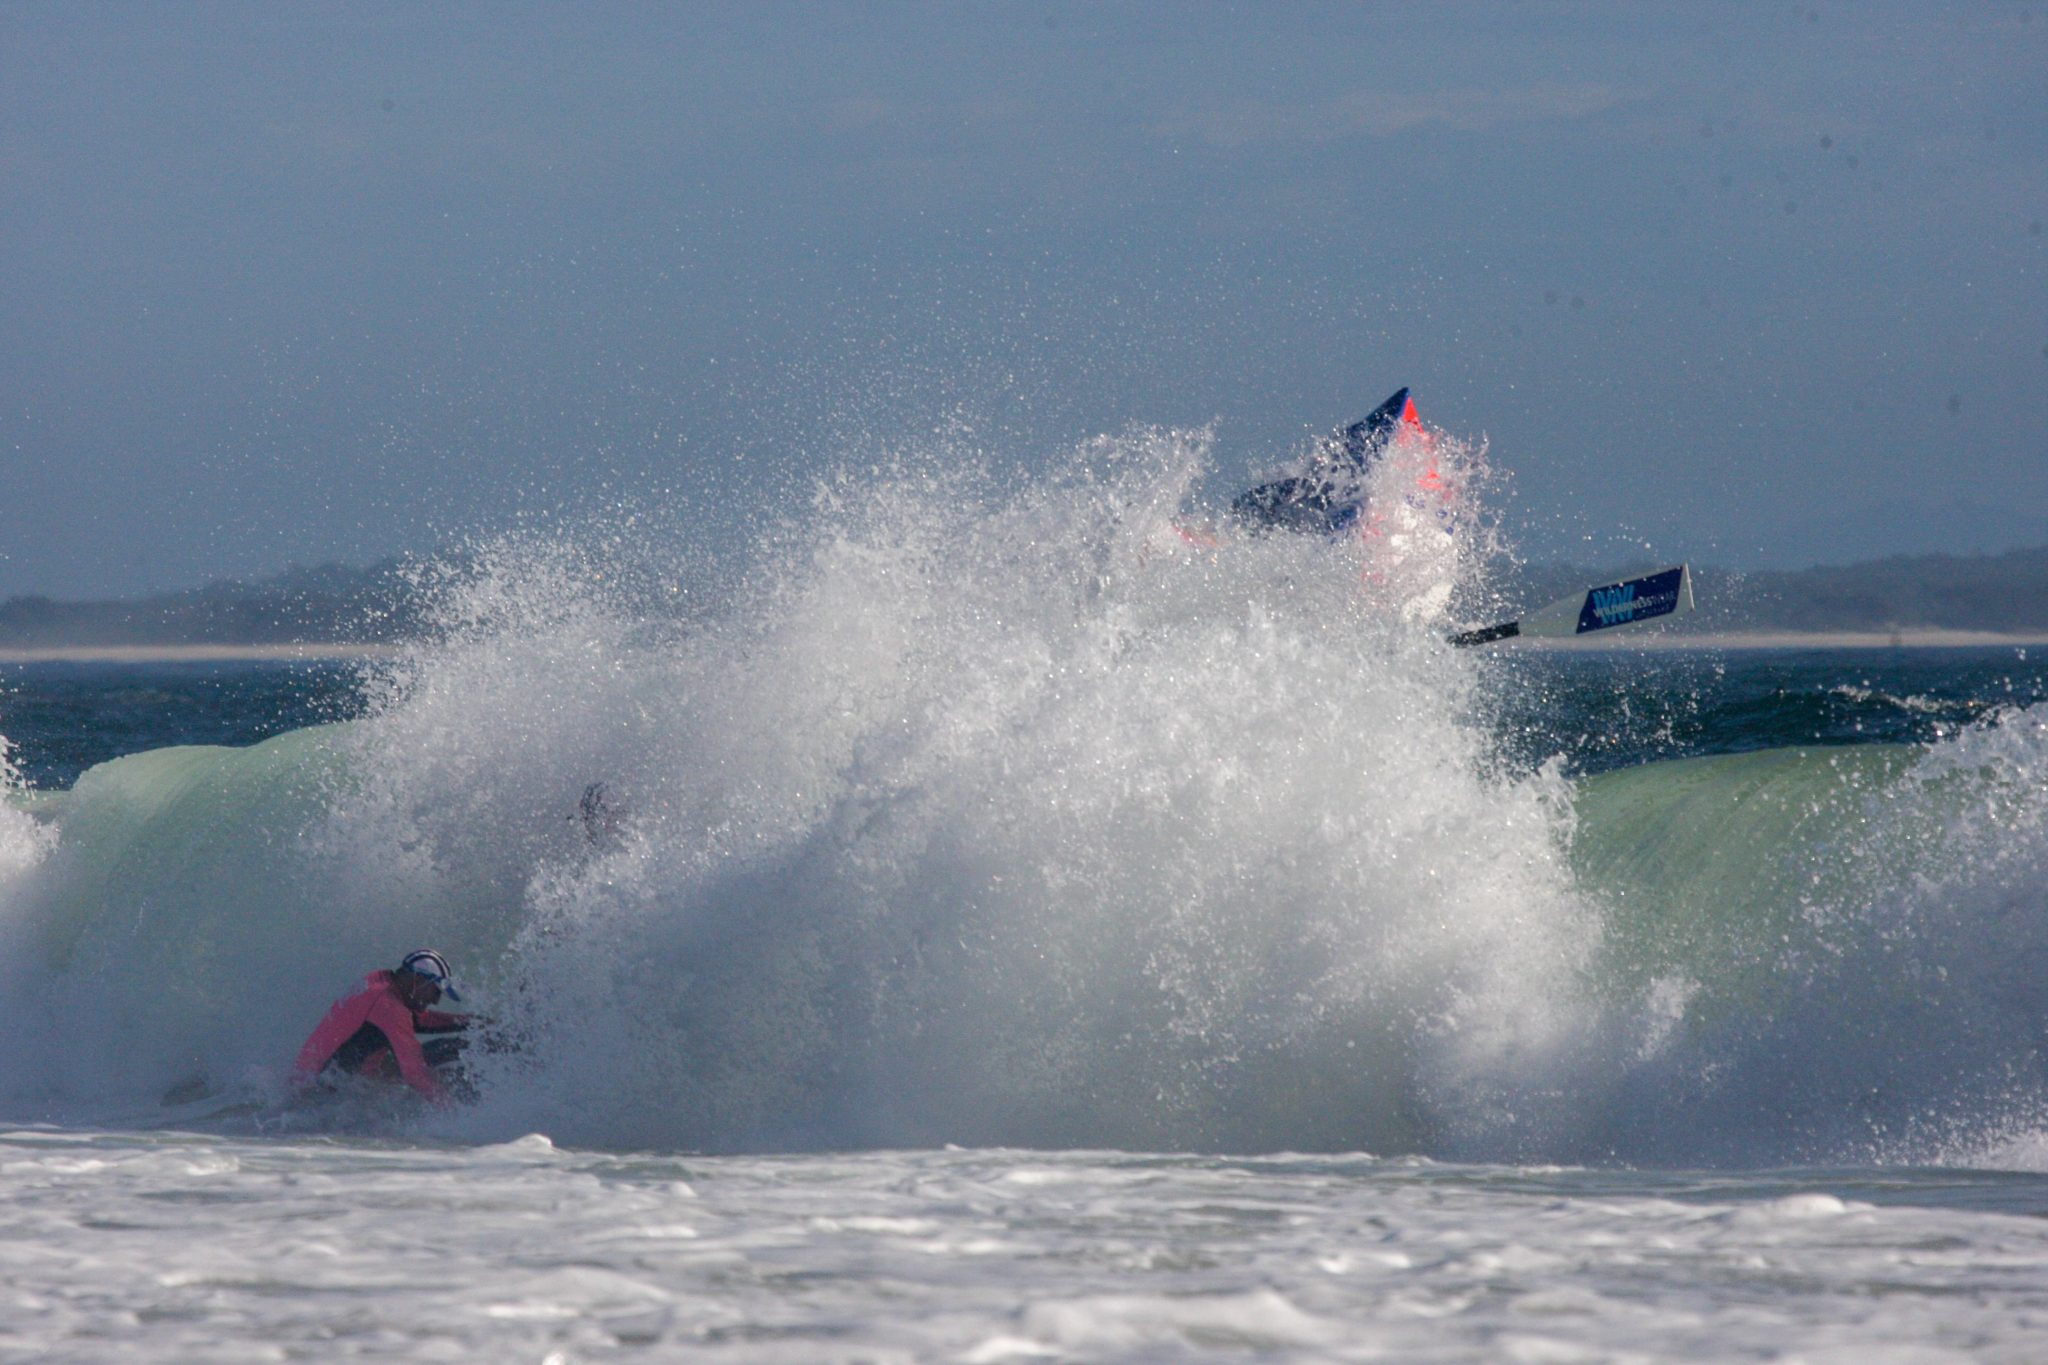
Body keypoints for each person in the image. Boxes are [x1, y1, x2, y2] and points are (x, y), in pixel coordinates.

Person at [294, 949, 473, 1103]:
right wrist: (455, 1114)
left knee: (445, 1052)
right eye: (435, 991)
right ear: (417, 981)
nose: (436, 1000)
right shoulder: (388, 1006)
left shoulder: (379, 981)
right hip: (321, 1098)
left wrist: (473, 1022)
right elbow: (415, 1073)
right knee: (456, 1051)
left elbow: (418, 1020)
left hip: (310, 1082)